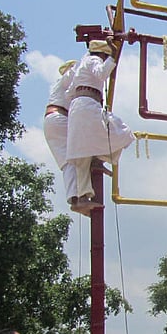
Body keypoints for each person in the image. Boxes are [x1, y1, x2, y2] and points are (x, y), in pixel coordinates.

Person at [65, 36, 134, 213]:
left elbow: (68, 93)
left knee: (82, 153)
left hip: (79, 106)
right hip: (87, 105)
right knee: (121, 132)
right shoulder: (94, 60)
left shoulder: (81, 65)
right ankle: (100, 159)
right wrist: (113, 56)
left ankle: (84, 192)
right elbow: (102, 73)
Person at [42, 58, 85, 214]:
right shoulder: (65, 80)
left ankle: (74, 198)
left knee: (68, 162)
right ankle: (80, 195)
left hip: (52, 120)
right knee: (78, 154)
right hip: (59, 118)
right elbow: (77, 70)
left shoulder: (62, 89)